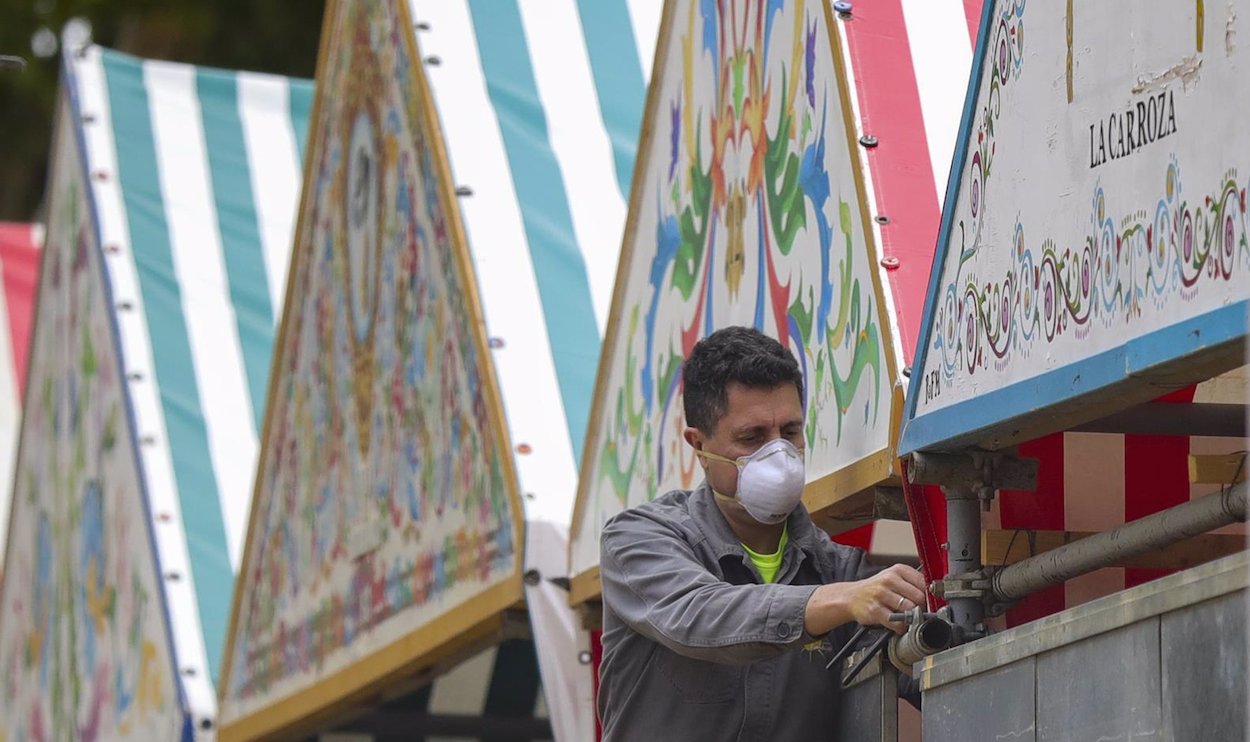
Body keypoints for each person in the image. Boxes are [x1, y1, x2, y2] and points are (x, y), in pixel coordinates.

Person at [598, 326, 928, 741]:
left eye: (789, 433)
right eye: (752, 438)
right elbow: (699, 614)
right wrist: (842, 599)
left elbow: (932, 675)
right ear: (698, 445)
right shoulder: (638, 539)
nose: (779, 454)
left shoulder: (842, 571)